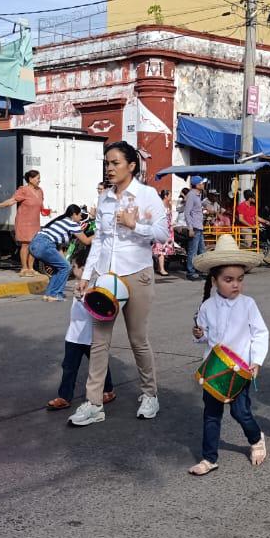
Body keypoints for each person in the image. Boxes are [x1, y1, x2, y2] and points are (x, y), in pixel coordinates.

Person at [68, 141, 170, 427]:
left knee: (138, 339)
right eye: (107, 163)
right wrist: (88, 277)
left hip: (137, 273)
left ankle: (150, 394)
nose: (109, 168)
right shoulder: (105, 199)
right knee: (99, 341)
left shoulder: (147, 196)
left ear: (131, 166)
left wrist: (133, 225)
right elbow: (99, 240)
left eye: (115, 163)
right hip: (107, 277)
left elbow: (163, 235)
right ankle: (93, 403)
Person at [187, 235, 269, 475]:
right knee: (211, 414)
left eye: (240, 280)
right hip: (213, 369)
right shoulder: (206, 307)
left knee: (240, 411)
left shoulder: (248, 304)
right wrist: (199, 333)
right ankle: (209, 458)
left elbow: (261, 333)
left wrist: (256, 362)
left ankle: (256, 439)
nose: (236, 285)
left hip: (240, 369)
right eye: (228, 280)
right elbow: (203, 337)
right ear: (214, 281)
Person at [47, 297, 118, 412]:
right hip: (73, 335)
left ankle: (108, 390)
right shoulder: (79, 287)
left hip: (93, 336)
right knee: (68, 367)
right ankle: (64, 397)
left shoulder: (99, 285)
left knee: (98, 365)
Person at [30, 205, 91, 302]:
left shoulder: (60, 221)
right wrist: (99, 235)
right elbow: (86, 241)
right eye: (80, 216)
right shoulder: (72, 223)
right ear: (74, 215)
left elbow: (58, 247)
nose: (80, 219)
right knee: (65, 267)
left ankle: (49, 294)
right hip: (44, 245)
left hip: (35, 244)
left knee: (60, 267)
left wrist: (64, 262)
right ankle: (55, 294)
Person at [0, 169, 45, 276]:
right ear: (30, 179)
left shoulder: (40, 191)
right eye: (37, 178)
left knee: (34, 245)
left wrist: (46, 211)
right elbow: (12, 200)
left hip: (35, 222)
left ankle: (31, 268)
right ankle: (24, 268)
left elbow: (41, 206)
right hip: (24, 221)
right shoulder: (23, 190)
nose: (39, 180)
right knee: (25, 244)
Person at [181, 175, 206, 280]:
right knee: (193, 251)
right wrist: (190, 228)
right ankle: (190, 272)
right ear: (197, 184)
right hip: (194, 227)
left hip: (199, 227)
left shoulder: (198, 195)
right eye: (202, 183)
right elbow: (187, 213)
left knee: (202, 251)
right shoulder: (191, 195)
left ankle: (200, 270)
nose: (204, 185)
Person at [153, 187, 176, 276]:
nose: (170, 197)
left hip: (168, 230)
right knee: (161, 250)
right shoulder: (160, 206)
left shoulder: (168, 205)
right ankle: (162, 269)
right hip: (162, 230)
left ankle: (159, 267)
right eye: (169, 195)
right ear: (166, 196)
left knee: (164, 250)